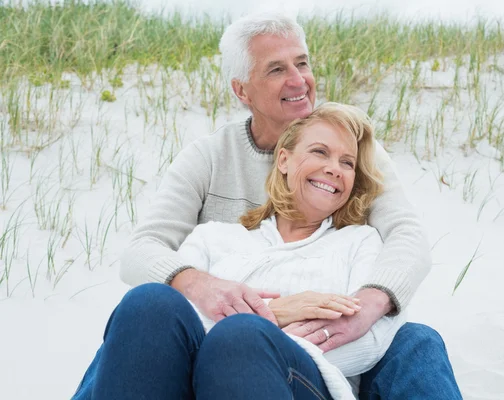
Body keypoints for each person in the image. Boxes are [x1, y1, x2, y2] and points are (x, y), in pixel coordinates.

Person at [118, 12, 461, 400]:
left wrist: (369, 303)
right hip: (217, 351)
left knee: (416, 341)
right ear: (242, 91)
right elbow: (139, 253)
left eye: (302, 63)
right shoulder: (210, 169)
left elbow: (407, 236)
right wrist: (205, 287)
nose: (298, 81)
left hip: (310, 364)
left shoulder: (355, 168)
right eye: (277, 69)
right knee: (144, 309)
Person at [72, 102, 405, 399]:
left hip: (303, 385)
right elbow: (167, 331)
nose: (335, 168)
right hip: (189, 383)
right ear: (284, 160)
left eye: (347, 162)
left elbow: (372, 340)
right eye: (320, 152)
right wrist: (278, 312)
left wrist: (260, 336)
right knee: (148, 302)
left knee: (240, 337)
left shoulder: (360, 241)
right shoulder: (215, 237)